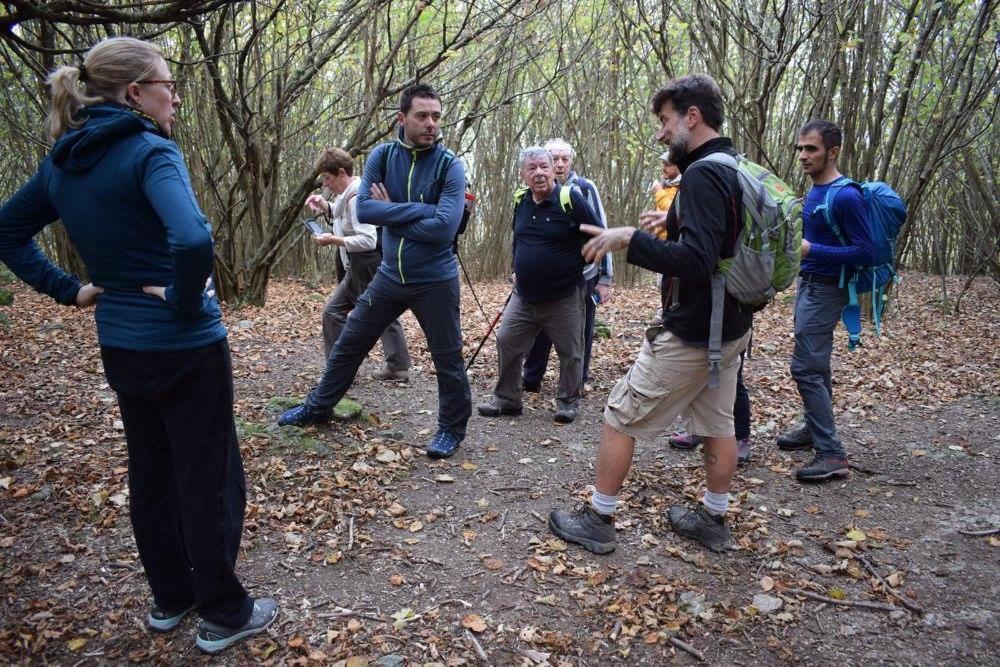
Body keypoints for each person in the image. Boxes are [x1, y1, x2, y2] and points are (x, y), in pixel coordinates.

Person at [0, 37, 276, 654]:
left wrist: (71, 292)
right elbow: (192, 239)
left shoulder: (63, 162)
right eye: (167, 83)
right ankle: (226, 612)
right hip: (186, 347)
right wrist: (182, 300)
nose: (175, 94)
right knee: (207, 475)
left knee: (152, 470)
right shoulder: (151, 152)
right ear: (134, 93)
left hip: (122, 345)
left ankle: (171, 597)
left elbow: (6, 231)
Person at [548, 73, 752, 554]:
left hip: (696, 329)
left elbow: (699, 262)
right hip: (732, 323)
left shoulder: (702, 173)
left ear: (692, 117)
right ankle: (713, 518)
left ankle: (598, 518)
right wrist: (674, 221)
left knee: (621, 414)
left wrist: (628, 238)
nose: (661, 133)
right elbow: (720, 238)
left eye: (665, 121)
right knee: (719, 423)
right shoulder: (732, 165)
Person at [277, 84, 472, 460]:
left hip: (436, 280)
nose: (431, 124)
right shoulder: (382, 157)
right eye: (422, 116)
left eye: (436, 116)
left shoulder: (450, 165)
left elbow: (446, 227)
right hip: (389, 276)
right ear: (402, 118)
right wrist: (419, 212)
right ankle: (318, 407)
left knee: (448, 358)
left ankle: (450, 429)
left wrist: (393, 213)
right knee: (350, 341)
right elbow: (365, 211)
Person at [778, 119, 875, 481]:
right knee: (817, 365)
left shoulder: (847, 195)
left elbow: (866, 251)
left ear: (832, 152)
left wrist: (811, 248)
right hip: (809, 284)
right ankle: (815, 429)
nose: (803, 155)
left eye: (811, 149)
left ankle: (832, 454)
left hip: (827, 288)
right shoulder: (814, 190)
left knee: (804, 368)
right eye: (800, 148)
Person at [477, 146, 600, 424]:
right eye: (532, 168)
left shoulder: (571, 200)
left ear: (553, 170)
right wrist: (515, 269)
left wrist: (584, 268)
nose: (540, 172)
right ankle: (508, 399)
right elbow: (518, 240)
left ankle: (568, 402)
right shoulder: (521, 201)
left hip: (564, 296)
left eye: (544, 166)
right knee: (507, 341)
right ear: (523, 175)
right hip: (523, 297)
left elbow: (599, 235)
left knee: (570, 351)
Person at [306, 147, 411, 380]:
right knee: (361, 311)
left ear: (342, 173)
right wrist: (326, 206)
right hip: (359, 264)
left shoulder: (356, 198)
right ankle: (395, 365)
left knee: (350, 312)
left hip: (367, 262)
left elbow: (368, 239)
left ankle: (342, 369)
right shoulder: (349, 194)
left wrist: (335, 240)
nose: (325, 184)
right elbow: (345, 218)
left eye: (327, 178)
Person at [521, 138, 613, 394]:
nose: (560, 164)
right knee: (539, 328)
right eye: (555, 159)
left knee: (578, 331)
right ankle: (531, 377)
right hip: (542, 281)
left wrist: (605, 278)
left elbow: (601, 232)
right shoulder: (530, 193)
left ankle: (577, 381)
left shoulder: (584, 187)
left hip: (583, 277)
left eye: (565, 159)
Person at [652, 150, 681, 217]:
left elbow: (674, 213)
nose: (663, 168)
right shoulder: (665, 185)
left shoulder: (683, 186)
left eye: (667, 165)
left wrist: (659, 192)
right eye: (663, 164)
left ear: (679, 166)